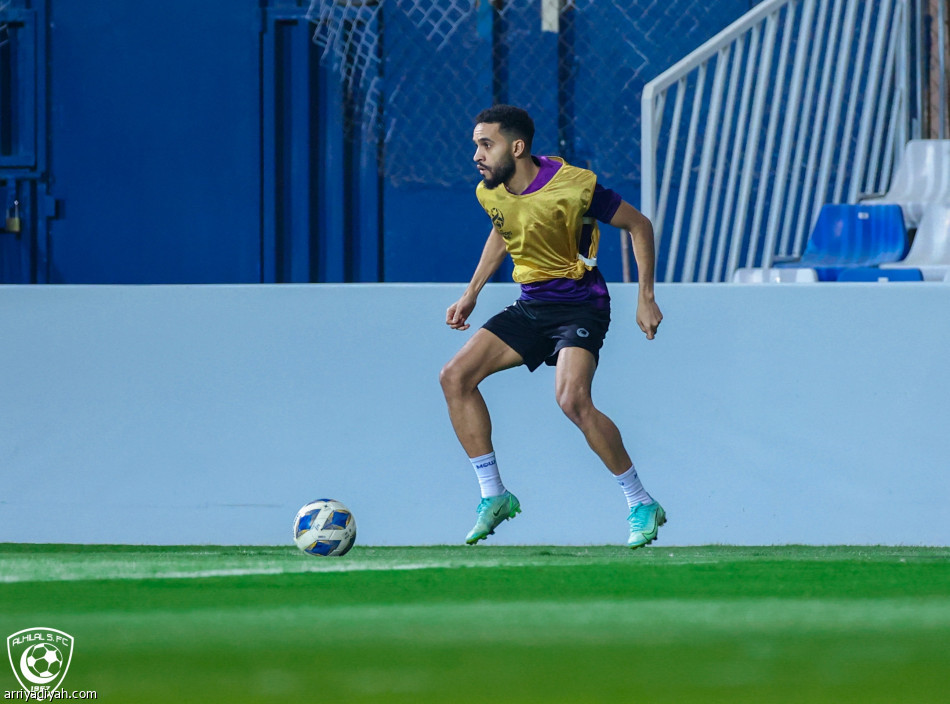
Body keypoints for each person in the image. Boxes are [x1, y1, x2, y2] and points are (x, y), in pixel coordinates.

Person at [439, 104, 665, 549]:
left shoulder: (575, 186)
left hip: (581, 307)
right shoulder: (491, 191)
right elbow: (503, 230)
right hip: (531, 306)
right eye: (476, 145)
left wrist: (646, 297)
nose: (477, 155)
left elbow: (638, 225)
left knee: (572, 399)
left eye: (487, 144)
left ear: (517, 146)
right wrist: (472, 292)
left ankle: (640, 502)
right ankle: (494, 495)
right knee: (454, 377)